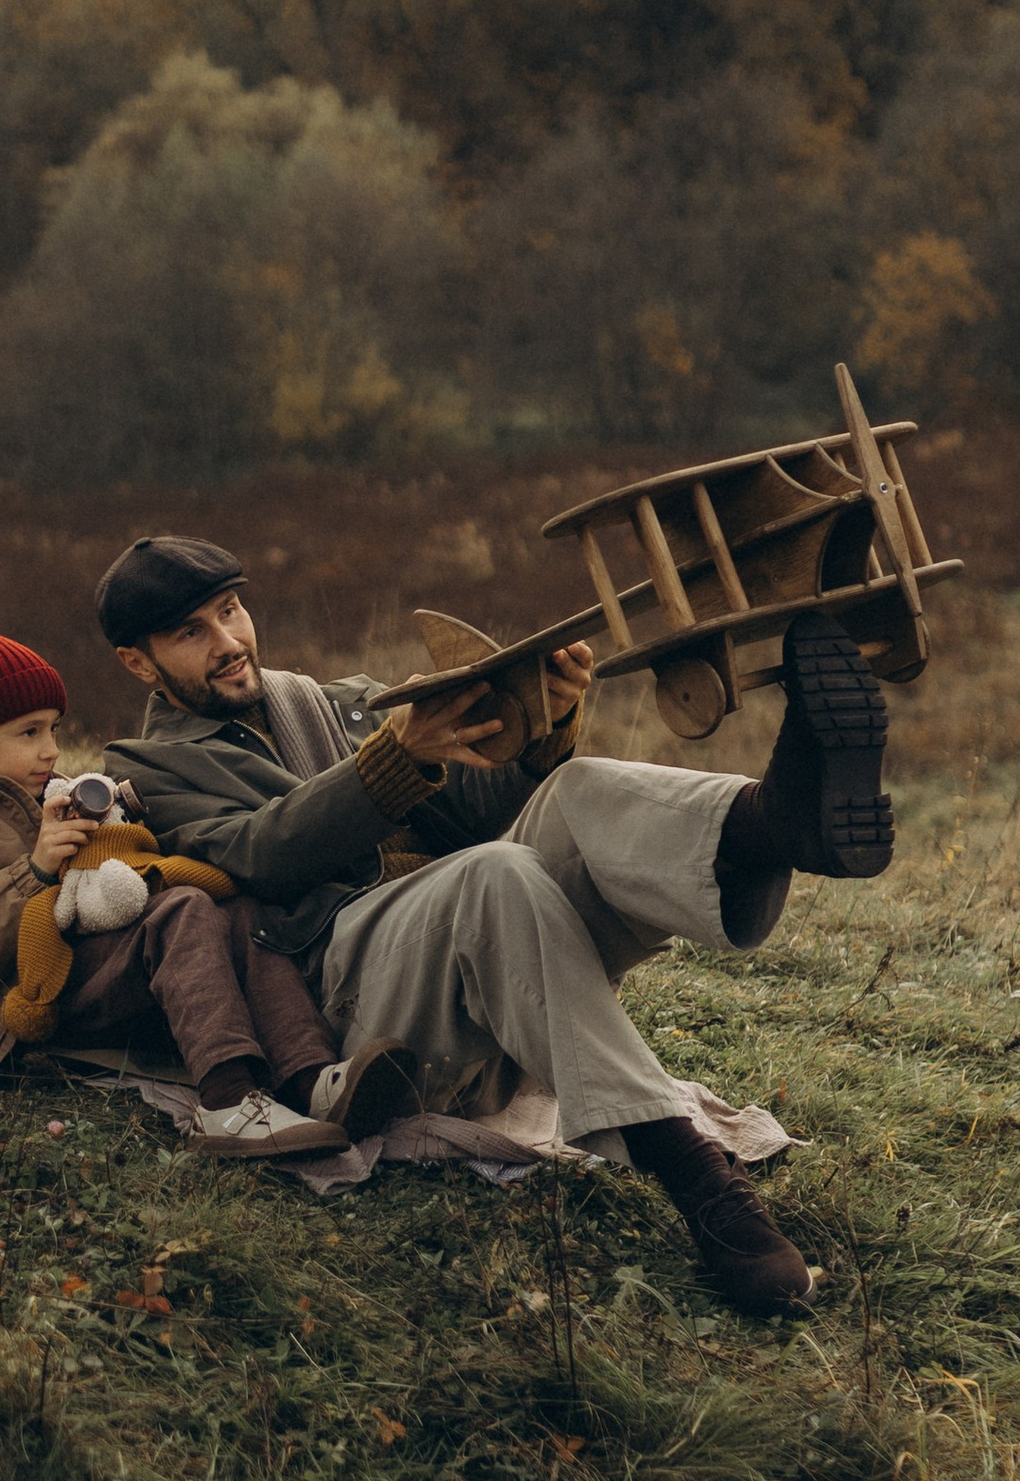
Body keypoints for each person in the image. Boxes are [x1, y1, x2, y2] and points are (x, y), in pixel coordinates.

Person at [98, 538, 898, 1317]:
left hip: (458, 941)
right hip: (338, 996)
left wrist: (539, 722)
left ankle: (779, 823)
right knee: (496, 875)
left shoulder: (335, 700)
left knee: (574, 790)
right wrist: (390, 759)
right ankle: (696, 1172)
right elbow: (259, 856)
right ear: (140, 662)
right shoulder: (149, 766)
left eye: (231, 611)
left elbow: (470, 818)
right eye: (191, 633)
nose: (229, 642)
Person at [0, 602, 420, 1158]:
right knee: (183, 909)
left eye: (52, 728)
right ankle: (227, 1099)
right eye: (28, 733)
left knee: (237, 908)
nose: (50, 748)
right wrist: (35, 870)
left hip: (101, 961)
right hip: (25, 997)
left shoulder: (56, 789)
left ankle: (310, 1077)